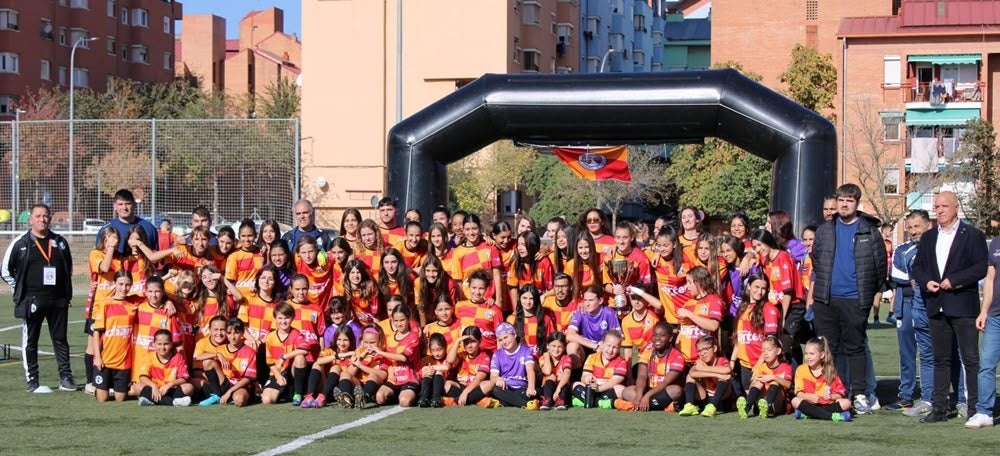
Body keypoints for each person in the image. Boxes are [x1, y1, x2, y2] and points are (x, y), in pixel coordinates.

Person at [808, 183, 887, 414]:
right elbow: (817, 259)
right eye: (841, 200)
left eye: (849, 201)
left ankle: (860, 394)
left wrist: (867, 295)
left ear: (856, 203)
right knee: (828, 349)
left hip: (855, 300)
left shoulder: (869, 231)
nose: (844, 204)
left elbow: (880, 266)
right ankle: (832, 391)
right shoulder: (825, 230)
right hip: (826, 300)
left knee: (855, 347)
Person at [912, 191, 987, 423]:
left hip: (963, 304)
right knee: (941, 359)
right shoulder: (929, 237)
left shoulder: (972, 235)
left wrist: (955, 281)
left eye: (944, 206)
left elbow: (980, 267)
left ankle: (975, 407)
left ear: (956, 208)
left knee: (970, 358)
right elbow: (918, 267)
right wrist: (926, 282)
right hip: (936, 304)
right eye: (937, 206)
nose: (940, 210)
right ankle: (940, 407)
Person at [2, 203, 76, 392]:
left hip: (58, 300)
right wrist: (19, 289)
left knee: (60, 339)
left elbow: (68, 269)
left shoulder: (59, 242)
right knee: (31, 341)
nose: (42, 219)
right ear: (31, 219)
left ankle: (66, 379)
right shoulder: (21, 243)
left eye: (45, 216)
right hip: (32, 300)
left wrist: (66, 294)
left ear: (50, 218)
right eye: (38, 216)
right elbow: (5, 271)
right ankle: (32, 381)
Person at [886, 210, 935, 415]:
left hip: (929, 303)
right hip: (905, 304)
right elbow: (901, 278)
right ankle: (906, 395)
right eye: (910, 227)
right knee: (906, 352)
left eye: (917, 227)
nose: (913, 231)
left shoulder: (935, 248)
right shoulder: (902, 250)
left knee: (929, 352)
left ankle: (930, 396)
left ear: (928, 226)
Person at [968, 218, 1000, 428]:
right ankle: (984, 412)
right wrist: (984, 311)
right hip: (995, 316)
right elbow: (990, 278)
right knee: (986, 365)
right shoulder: (996, 243)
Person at [617, 322, 685, 411]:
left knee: (676, 391)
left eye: (662, 335)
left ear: (670, 338)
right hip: (648, 389)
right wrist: (639, 395)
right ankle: (663, 406)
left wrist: (647, 396)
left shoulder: (677, 357)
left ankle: (635, 405)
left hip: (664, 391)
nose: (657, 338)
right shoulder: (648, 352)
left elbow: (666, 382)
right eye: (655, 335)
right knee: (627, 391)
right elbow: (642, 376)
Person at [792, 337, 853, 422]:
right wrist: (808, 396)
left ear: (822, 355)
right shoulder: (801, 369)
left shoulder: (830, 370)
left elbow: (840, 393)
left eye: (812, 354)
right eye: (806, 354)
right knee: (795, 401)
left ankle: (809, 414)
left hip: (827, 404)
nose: (808, 357)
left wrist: (832, 397)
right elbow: (798, 393)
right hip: (810, 404)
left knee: (847, 403)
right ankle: (832, 416)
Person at [737, 335, 792, 419]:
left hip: (778, 404)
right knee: (758, 381)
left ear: (778, 351)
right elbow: (752, 385)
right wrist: (755, 380)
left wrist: (773, 377)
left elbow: (789, 385)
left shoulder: (786, 366)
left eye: (769, 350)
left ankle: (768, 406)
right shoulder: (760, 367)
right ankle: (747, 408)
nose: (765, 353)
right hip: (761, 401)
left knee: (775, 382)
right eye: (763, 351)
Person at [677, 335, 732, 417]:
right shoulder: (700, 362)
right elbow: (691, 373)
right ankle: (689, 405)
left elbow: (727, 370)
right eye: (699, 351)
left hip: (722, 399)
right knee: (690, 377)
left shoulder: (721, 360)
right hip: (706, 398)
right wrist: (715, 374)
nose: (702, 353)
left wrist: (704, 369)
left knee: (725, 376)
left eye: (705, 349)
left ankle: (713, 406)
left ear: (715, 348)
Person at [136, 330, 194, 407]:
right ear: (154, 344)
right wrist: (154, 386)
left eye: (166, 344)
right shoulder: (149, 357)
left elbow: (185, 377)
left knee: (189, 387)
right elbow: (143, 377)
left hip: (171, 389)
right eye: (159, 344)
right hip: (154, 389)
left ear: (171, 344)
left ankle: (151, 400)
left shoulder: (178, 357)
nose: (162, 347)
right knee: (136, 387)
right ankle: (173, 402)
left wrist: (170, 384)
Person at [572, 330, 628, 409]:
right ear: (602, 344)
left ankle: (588, 401)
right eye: (608, 345)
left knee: (621, 390)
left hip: (607, 390)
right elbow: (584, 377)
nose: (610, 350)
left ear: (619, 349)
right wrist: (587, 378)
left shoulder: (621, 361)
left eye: (615, 347)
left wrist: (599, 388)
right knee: (575, 385)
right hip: (592, 389)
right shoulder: (592, 357)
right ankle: (601, 402)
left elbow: (614, 381)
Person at [489, 322, 538, 409]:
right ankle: (526, 404)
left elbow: (530, 370)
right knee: (495, 390)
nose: (504, 342)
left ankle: (505, 402)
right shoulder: (497, 354)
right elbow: (493, 377)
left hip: (521, 387)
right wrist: (497, 378)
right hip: (506, 388)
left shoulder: (526, 350)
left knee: (533, 392)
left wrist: (531, 387)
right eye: (500, 340)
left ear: (514, 334)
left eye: (506, 337)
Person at [444, 327, 495, 407]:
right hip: (461, 386)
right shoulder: (461, 355)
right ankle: (478, 401)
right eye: (466, 342)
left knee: (488, 385)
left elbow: (479, 378)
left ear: (480, 341)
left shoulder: (485, 356)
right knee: (446, 384)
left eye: (473, 342)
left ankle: (455, 401)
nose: (469, 346)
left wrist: (466, 392)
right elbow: (450, 360)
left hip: (475, 387)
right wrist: (457, 341)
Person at [94, 189, 158, 254]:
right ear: (115, 206)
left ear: (134, 205)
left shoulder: (149, 227)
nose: (124, 208)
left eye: (128, 204)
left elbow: (155, 256)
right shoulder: (106, 230)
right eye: (120, 204)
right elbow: (99, 257)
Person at [537, 331, 573, 410]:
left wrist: (558, 389)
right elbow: (547, 371)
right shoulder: (543, 358)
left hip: (561, 389)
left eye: (559, 347)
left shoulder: (566, 358)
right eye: (553, 346)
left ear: (564, 348)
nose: (556, 349)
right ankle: (547, 400)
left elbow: (567, 374)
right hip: (548, 388)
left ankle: (561, 401)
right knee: (551, 376)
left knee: (562, 378)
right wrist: (546, 356)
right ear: (547, 346)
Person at [417, 333, 451, 408]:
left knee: (438, 372)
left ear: (445, 347)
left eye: (439, 350)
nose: (437, 353)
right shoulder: (426, 359)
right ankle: (424, 398)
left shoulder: (448, 358)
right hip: (428, 384)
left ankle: (436, 398)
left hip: (443, 385)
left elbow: (446, 367)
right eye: (433, 350)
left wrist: (431, 368)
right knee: (427, 373)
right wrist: (425, 371)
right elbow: (420, 372)